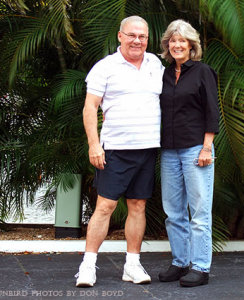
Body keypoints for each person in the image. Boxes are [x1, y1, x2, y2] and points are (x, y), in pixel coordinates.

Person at [76, 15, 164, 287]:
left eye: (143, 36)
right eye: (132, 35)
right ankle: (88, 266)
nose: (137, 40)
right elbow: (90, 107)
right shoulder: (105, 67)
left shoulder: (155, 64)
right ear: (120, 36)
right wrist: (93, 144)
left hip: (147, 149)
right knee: (105, 206)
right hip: (114, 149)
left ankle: (132, 265)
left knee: (138, 206)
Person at [158, 20, 219, 287]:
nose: (177, 45)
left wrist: (207, 147)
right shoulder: (164, 74)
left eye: (182, 41)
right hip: (169, 150)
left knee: (200, 212)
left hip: (197, 149)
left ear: (191, 45)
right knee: (173, 212)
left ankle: (201, 267)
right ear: (167, 45)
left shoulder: (203, 71)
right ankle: (180, 263)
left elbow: (212, 111)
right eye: (172, 41)